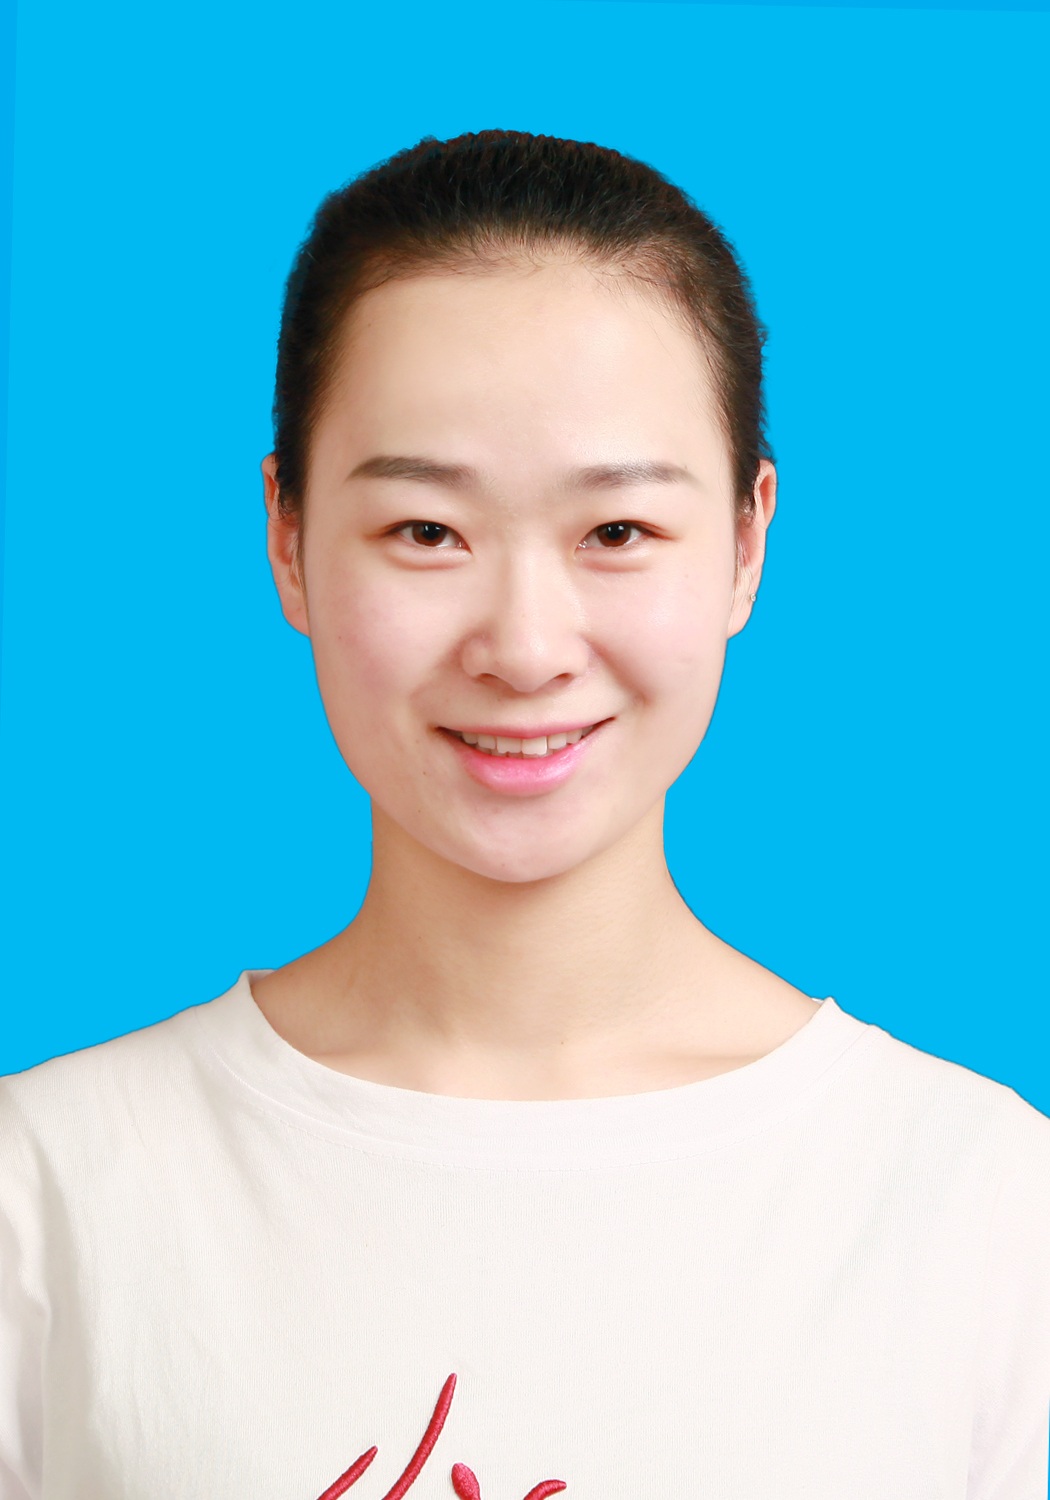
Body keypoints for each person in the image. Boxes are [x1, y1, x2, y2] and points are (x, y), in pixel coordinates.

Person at [1, 130, 1047, 1500]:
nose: (525, 646)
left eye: (616, 533)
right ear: (288, 536)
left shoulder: (981, 1205)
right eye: (426, 532)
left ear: (747, 543)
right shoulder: (49, 1193)